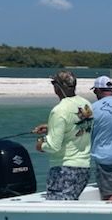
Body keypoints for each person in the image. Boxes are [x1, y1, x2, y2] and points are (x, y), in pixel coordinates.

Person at [32, 69, 93, 200]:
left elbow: (53, 146)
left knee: (58, 212)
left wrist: (40, 144)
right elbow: (78, 125)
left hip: (64, 170)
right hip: (84, 169)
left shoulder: (59, 110)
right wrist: (51, 127)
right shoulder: (86, 104)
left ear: (57, 87)